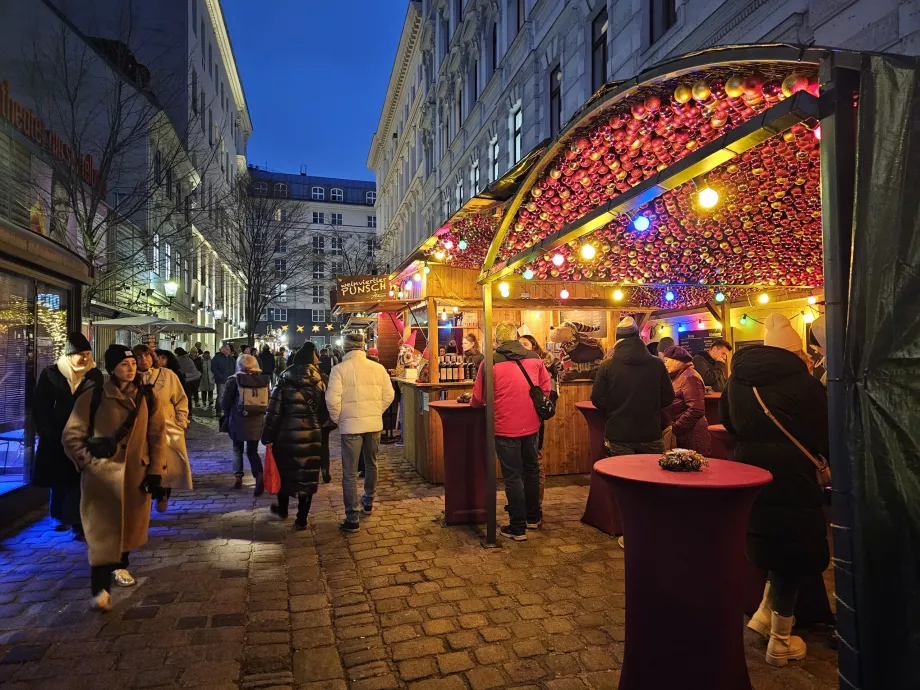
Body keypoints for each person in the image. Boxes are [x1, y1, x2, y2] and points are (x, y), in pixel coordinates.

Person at [719, 313, 829, 667]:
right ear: (796, 352)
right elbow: (825, 430)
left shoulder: (738, 380)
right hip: (793, 476)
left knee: (769, 542)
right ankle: (781, 640)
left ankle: (765, 615)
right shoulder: (806, 385)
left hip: (751, 469)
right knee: (793, 550)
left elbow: (730, 422)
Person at [62, 345, 164, 611]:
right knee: (101, 534)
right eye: (124, 364)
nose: (131, 368)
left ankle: (120, 568)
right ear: (112, 368)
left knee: (127, 531)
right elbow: (72, 435)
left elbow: (157, 436)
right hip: (101, 479)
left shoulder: (147, 397)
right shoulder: (93, 396)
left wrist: (155, 472)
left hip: (134, 476)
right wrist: (89, 462)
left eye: (132, 363)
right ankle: (99, 588)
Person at [471, 323, 551, 541]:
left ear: (497, 340)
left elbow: (478, 399)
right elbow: (545, 389)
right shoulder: (535, 358)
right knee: (531, 470)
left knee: (513, 476)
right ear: (516, 337)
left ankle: (517, 527)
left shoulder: (491, 362)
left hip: (505, 426)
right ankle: (533, 519)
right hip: (532, 425)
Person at [32, 333, 103, 539]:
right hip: (56, 434)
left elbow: (99, 404)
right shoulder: (51, 374)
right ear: (70, 354)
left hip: (84, 434)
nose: (85, 358)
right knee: (60, 478)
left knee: (79, 478)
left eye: (88, 354)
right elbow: (40, 405)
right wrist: (44, 429)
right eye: (80, 354)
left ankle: (77, 521)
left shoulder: (93, 375)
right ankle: (60, 515)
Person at [325, 332, 394, 533]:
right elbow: (388, 394)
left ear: (345, 347)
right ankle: (369, 501)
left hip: (351, 427)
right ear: (362, 346)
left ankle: (352, 516)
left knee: (350, 471)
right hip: (373, 424)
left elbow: (331, 399)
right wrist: (375, 411)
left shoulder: (339, 370)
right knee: (371, 464)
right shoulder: (378, 368)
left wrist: (340, 418)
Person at [261, 343, 330, 530]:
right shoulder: (321, 380)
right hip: (312, 435)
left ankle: (282, 509)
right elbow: (326, 411)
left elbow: (273, 411)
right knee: (307, 476)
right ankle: (301, 518)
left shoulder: (284, 378)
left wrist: (267, 435)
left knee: (284, 473)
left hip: (286, 435)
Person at [591, 317, 675, 456]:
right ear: (638, 337)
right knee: (650, 476)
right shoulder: (657, 364)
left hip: (619, 433)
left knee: (622, 477)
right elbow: (668, 397)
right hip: (651, 432)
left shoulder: (607, 365)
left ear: (618, 339)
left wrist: (615, 409)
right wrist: (650, 407)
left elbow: (597, 399)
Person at [134, 344, 191, 511]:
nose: (143, 360)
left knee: (167, 464)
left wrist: (181, 421)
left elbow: (181, 399)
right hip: (141, 426)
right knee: (145, 462)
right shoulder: (131, 377)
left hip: (168, 424)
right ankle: (148, 495)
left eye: (146, 356)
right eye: (138, 357)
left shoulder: (168, 375)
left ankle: (163, 493)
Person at [221, 354, 270, 494]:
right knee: (252, 451)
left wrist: (229, 412)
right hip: (257, 420)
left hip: (238, 419)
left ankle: (238, 477)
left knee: (237, 448)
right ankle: (259, 475)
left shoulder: (234, 380)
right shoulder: (263, 380)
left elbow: (224, 402)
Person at [518, 334, 557, 508]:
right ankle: (527, 503)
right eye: (520, 345)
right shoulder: (520, 364)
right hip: (523, 418)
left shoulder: (542, 365)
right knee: (526, 462)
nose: (522, 348)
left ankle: (536, 504)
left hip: (536, 418)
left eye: (525, 344)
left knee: (535, 461)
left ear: (534, 347)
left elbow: (550, 394)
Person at [661, 345, 711, 455]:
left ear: (677, 361)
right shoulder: (679, 376)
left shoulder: (690, 376)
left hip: (691, 434)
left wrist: (675, 428)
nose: (665, 364)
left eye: (666, 361)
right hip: (684, 433)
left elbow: (696, 409)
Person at [211, 344, 236, 415]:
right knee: (221, 395)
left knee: (229, 395)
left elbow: (235, 368)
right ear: (223, 350)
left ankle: (227, 410)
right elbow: (214, 368)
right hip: (221, 381)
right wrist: (220, 376)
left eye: (229, 350)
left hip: (231, 380)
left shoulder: (231, 359)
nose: (229, 351)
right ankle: (218, 410)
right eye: (228, 349)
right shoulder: (217, 358)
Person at [174, 347, 201, 414]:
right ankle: (189, 411)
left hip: (183, 381)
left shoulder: (178, 360)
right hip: (191, 381)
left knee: (182, 397)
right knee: (188, 397)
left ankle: (184, 411)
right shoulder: (188, 359)